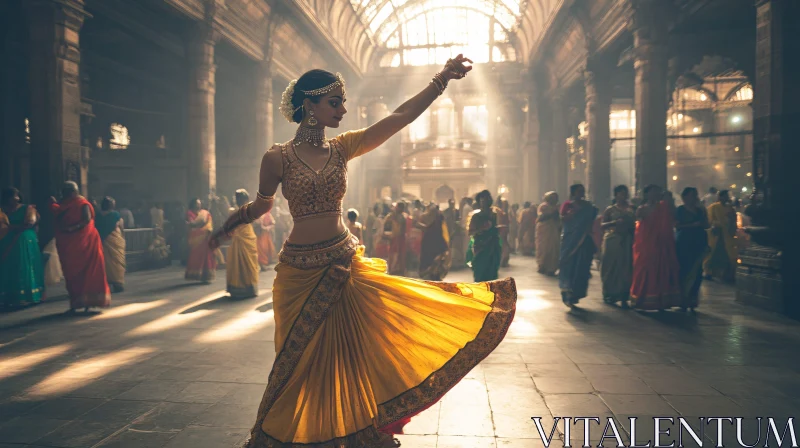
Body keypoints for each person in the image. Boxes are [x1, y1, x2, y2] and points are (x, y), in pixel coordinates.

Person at [208, 62, 516, 448]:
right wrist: (226, 227)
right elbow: (260, 205)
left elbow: (400, 117)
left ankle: (358, 428)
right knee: (297, 363)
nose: (343, 110)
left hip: (343, 263)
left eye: (343, 103)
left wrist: (441, 80)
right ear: (310, 105)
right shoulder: (277, 158)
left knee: (353, 354)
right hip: (298, 273)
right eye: (335, 103)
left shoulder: (344, 147)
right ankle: (289, 433)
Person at [50, 181, 110, 312]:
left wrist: (73, 228)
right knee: (71, 273)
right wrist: (54, 204)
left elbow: (87, 219)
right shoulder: (64, 204)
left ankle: (88, 302)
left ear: (74, 192)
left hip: (86, 242)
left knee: (88, 272)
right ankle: (75, 302)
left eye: (67, 192)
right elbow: (59, 216)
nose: (65, 195)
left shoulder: (82, 204)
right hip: (69, 244)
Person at [630, 185, 681, 310]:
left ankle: (661, 300)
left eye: (657, 192)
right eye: (652, 192)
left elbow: (673, 217)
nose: (655, 195)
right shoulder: (642, 209)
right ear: (647, 194)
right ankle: (642, 298)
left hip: (662, 244)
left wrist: (670, 199)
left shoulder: (664, 207)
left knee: (662, 268)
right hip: (646, 244)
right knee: (645, 268)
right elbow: (637, 222)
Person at [0, 187, 45, 308]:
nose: (16, 198)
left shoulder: (27, 209)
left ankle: (27, 295)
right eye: (13, 196)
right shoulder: (2, 210)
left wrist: (12, 228)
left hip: (24, 236)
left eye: (17, 195)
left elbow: (30, 223)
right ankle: (8, 296)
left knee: (21, 249)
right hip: (6, 236)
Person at [558, 185, 597, 307]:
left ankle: (576, 293)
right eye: (579, 191)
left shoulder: (588, 206)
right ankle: (567, 290)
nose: (581, 193)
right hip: (570, 239)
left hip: (583, 239)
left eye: (582, 191)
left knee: (582, 266)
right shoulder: (568, 205)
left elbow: (591, 220)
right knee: (568, 264)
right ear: (573, 193)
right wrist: (570, 215)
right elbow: (563, 219)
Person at [600, 186, 636, 306]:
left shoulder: (632, 209)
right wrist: (614, 223)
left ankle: (624, 295)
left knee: (626, 267)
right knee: (610, 266)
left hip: (628, 240)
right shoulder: (610, 210)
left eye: (625, 194)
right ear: (616, 195)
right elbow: (602, 225)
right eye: (621, 194)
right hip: (612, 240)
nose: (624, 196)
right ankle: (609, 293)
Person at [675, 187, 710, 311]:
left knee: (697, 272)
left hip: (698, 242)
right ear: (684, 197)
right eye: (691, 195)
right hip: (684, 242)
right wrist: (691, 225)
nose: (694, 198)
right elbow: (676, 225)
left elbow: (707, 225)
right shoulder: (680, 210)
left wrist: (703, 212)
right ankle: (683, 298)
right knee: (684, 270)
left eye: (695, 195)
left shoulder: (700, 210)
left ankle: (692, 299)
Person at [226, 190, 259, 299]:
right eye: (239, 199)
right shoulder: (236, 211)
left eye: (242, 199)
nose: (241, 201)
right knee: (239, 263)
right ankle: (241, 289)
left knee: (247, 263)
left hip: (246, 238)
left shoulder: (237, 211)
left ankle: (246, 288)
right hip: (239, 239)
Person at [466, 190, 502, 282]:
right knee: (480, 273)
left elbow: (496, 228)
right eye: (483, 200)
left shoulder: (494, 215)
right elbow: (471, 232)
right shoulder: (476, 217)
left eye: (487, 200)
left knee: (492, 273)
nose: (486, 202)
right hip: (481, 247)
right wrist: (482, 229)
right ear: (479, 202)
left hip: (493, 247)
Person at [704, 190, 737, 282]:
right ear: (720, 197)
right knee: (712, 254)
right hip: (717, 235)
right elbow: (710, 220)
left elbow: (733, 220)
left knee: (728, 255)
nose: (727, 198)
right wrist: (718, 224)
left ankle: (726, 274)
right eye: (725, 196)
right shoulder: (714, 207)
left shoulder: (730, 208)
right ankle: (708, 272)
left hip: (727, 235)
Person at [95, 197, 126, 293]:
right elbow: (121, 226)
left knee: (104, 262)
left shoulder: (97, 216)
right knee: (116, 262)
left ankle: (105, 283)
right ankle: (118, 282)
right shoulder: (115, 215)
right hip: (115, 240)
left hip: (101, 240)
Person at [185, 198, 216, 282]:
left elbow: (208, 222)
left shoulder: (204, 213)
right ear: (193, 204)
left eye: (199, 203)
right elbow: (191, 223)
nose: (199, 205)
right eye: (197, 203)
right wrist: (196, 225)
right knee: (197, 255)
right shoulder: (190, 213)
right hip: (196, 237)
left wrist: (206, 229)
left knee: (207, 255)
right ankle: (195, 274)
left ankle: (205, 275)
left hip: (205, 236)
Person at [418, 203, 451, 280]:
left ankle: (434, 273)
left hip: (435, 241)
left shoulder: (430, 217)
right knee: (431, 259)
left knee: (436, 259)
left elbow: (443, 229)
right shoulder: (436, 217)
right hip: (432, 241)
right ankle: (433, 273)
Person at [536, 193, 560, 275]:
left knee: (553, 248)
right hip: (544, 229)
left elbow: (558, 218)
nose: (555, 199)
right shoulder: (544, 206)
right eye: (553, 198)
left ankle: (551, 268)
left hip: (553, 230)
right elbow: (542, 217)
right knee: (543, 248)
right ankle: (542, 266)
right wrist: (553, 212)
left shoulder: (556, 207)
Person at [384, 202, 408, 275]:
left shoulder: (402, 216)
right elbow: (387, 227)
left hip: (400, 238)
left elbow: (402, 229)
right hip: (394, 238)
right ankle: (393, 270)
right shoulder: (392, 216)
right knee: (393, 254)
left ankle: (398, 271)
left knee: (399, 255)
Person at [496, 198, 511, 267]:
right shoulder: (505, 212)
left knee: (502, 244)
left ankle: (503, 259)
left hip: (501, 229)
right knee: (504, 243)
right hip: (504, 229)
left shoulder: (499, 211)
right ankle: (504, 258)